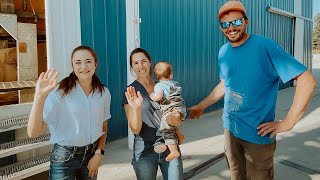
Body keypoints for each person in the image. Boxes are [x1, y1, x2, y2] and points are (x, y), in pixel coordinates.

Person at [189, 1, 317, 180]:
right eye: (225, 24)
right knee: (236, 175)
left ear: (246, 21)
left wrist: (288, 122)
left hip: (257, 136)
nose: (231, 28)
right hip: (230, 130)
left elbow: (307, 80)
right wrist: (201, 106)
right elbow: (226, 84)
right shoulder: (223, 51)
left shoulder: (265, 46)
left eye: (236, 22)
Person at [27, 46, 111, 180]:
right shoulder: (60, 92)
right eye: (78, 62)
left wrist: (98, 154)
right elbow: (33, 132)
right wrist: (39, 97)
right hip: (64, 157)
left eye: (88, 61)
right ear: (72, 66)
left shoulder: (103, 93)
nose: (83, 66)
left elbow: (104, 126)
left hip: (91, 155)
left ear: (96, 63)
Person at [122, 48, 183, 180]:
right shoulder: (130, 91)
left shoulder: (163, 85)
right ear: (132, 67)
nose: (140, 66)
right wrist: (137, 108)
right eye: (135, 63)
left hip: (169, 144)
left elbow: (171, 109)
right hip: (145, 151)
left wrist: (177, 130)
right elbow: (135, 129)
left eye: (143, 61)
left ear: (150, 62)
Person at [149, 61, 186, 161]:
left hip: (169, 110)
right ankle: (179, 133)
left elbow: (158, 96)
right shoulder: (175, 83)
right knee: (171, 126)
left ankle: (174, 150)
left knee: (165, 130)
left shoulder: (159, 86)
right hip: (181, 109)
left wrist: (152, 95)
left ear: (157, 76)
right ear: (170, 75)